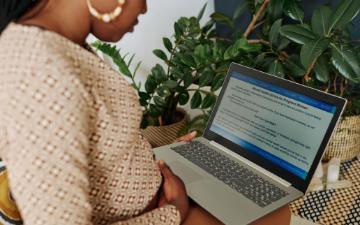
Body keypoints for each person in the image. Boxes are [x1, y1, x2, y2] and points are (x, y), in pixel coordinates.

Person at [0, 0, 291, 224]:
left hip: (161, 197)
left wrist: (146, 154)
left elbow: (87, 141)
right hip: (162, 213)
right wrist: (172, 213)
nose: (145, 7)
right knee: (276, 213)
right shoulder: (41, 71)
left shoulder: (52, 46)